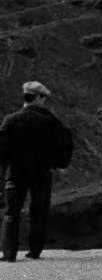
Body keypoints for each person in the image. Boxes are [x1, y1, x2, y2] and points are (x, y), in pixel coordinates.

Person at [0, 81, 73, 262]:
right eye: (44, 98)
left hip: (16, 173)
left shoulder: (11, 120)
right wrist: (58, 163)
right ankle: (35, 251)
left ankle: (9, 254)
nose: (45, 102)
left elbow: (1, 149)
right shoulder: (50, 122)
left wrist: (3, 170)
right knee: (38, 211)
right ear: (38, 98)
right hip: (41, 173)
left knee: (11, 213)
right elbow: (65, 144)